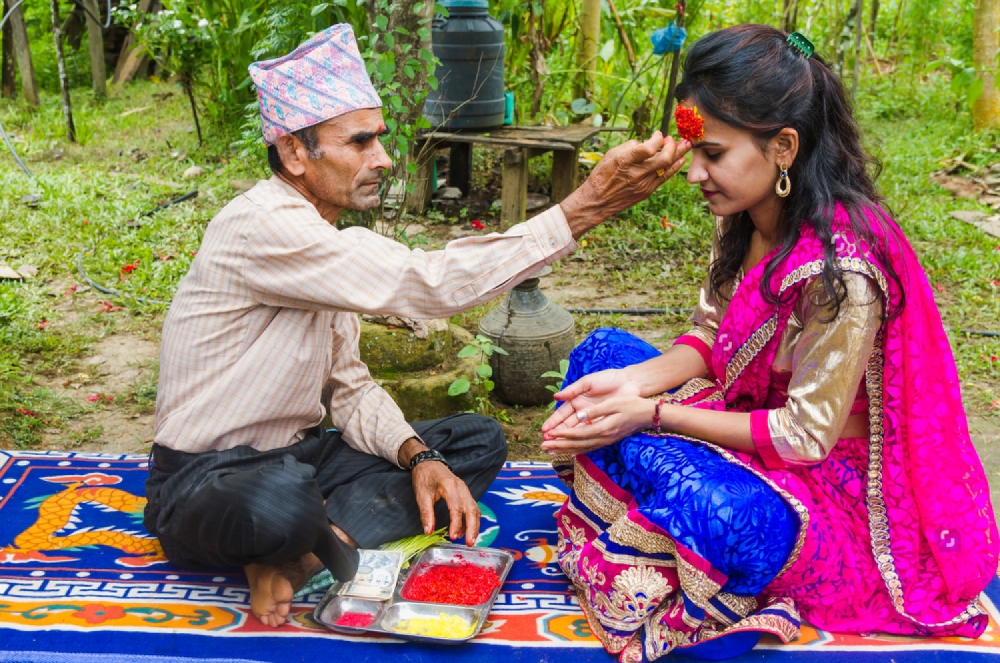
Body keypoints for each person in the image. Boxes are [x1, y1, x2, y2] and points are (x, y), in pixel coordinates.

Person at [142, 23, 689, 630]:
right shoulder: (262, 226)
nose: (383, 158)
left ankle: (299, 555)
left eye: (379, 138)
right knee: (277, 502)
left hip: (299, 459)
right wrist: (586, 203)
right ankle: (302, 536)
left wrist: (417, 456)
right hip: (208, 481)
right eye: (359, 143)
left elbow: (348, 386)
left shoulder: (322, 239)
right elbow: (431, 284)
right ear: (296, 154)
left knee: (474, 442)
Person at [541, 24, 999, 662]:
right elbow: (708, 333)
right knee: (601, 359)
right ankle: (651, 505)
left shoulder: (843, 271)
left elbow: (804, 438)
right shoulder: (743, 213)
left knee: (717, 509)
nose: (695, 172)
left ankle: (660, 515)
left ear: (783, 146)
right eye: (694, 150)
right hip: (734, 416)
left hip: (822, 489)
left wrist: (649, 414)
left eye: (715, 154)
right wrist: (635, 384)